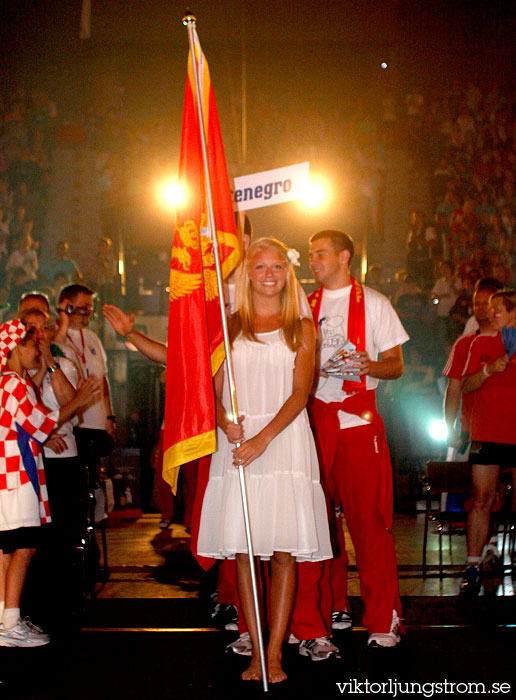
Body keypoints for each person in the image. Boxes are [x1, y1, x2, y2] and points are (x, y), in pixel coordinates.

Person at [197, 237, 332, 683]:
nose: (269, 274)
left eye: (278, 267)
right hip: (238, 444)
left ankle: (275, 654)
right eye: (261, 267)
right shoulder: (227, 325)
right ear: (247, 273)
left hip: (284, 441)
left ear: (287, 274)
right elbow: (213, 393)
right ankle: (255, 651)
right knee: (244, 551)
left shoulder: (302, 328)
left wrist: (263, 438)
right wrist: (224, 422)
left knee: (283, 553)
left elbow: (301, 393)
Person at [307, 229, 409, 648]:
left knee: (368, 523)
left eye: (320, 254)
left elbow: (396, 366)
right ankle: (332, 608)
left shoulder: (375, 302)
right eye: (311, 256)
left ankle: (384, 619)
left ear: (344, 256)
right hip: (312, 422)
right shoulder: (302, 304)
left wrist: (369, 365)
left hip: (357, 421)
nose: (312, 262)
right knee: (316, 526)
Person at [0, 319, 98, 647]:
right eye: (31, 345)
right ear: (15, 348)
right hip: (16, 479)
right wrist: (79, 399)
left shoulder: (10, 382)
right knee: (23, 547)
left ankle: (5, 620)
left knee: (7, 550)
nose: (38, 350)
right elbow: (40, 425)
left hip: (11, 478)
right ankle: (9, 622)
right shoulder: (13, 384)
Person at [460, 289, 516, 594]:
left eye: (498, 310)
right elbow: (465, 384)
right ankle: (472, 566)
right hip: (487, 431)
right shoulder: (480, 342)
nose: (491, 314)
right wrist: (487, 369)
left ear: (512, 313)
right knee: (481, 498)